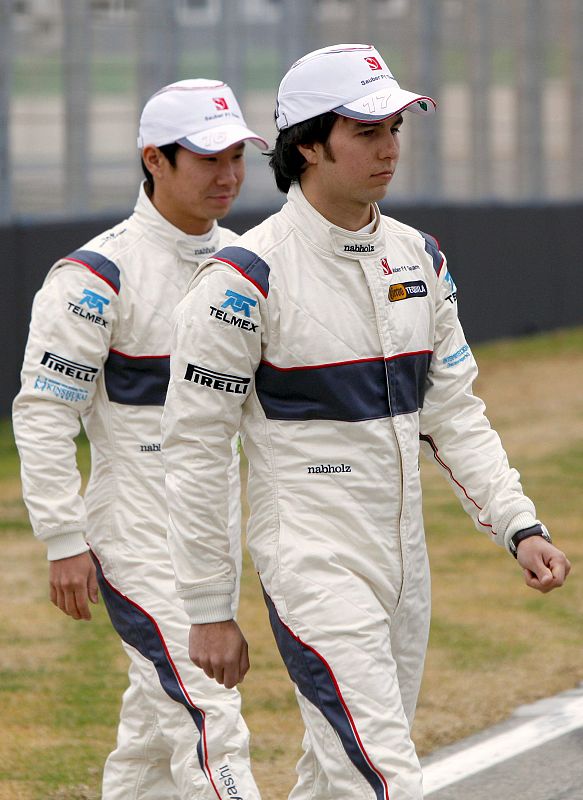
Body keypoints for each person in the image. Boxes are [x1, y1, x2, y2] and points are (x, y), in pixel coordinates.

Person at [160, 45, 571, 800]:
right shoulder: (242, 281)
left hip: (404, 564)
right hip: (311, 559)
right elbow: (194, 453)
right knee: (380, 777)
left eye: (395, 128)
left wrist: (519, 525)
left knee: (335, 775)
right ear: (308, 145)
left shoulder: (420, 257)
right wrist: (209, 609)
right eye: (365, 130)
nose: (388, 149)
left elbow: (452, 412)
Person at [12, 79, 267, 800]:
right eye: (208, 158)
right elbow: (42, 415)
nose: (228, 176)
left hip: (214, 526)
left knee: (152, 742)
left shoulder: (247, 264)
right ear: (154, 159)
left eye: (238, 157)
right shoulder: (94, 276)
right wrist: (63, 537)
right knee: (207, 708)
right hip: (134, 527)